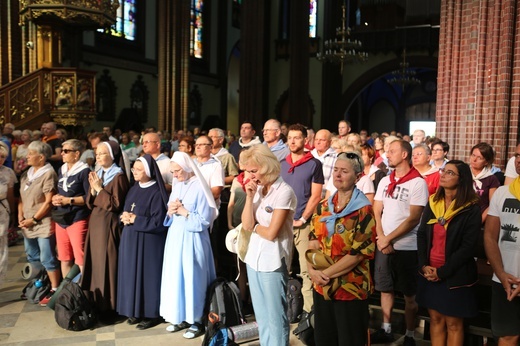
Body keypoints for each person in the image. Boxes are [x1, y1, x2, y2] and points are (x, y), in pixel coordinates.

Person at [308, 151, 376, 345]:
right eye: (336, 170)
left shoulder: (363, 210)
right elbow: (313, 240)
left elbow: (358, 255)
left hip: (350, 288)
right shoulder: (323, 206)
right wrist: (312, 270)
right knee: (324, 339)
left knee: (349, 339)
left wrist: (325, 274)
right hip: (322, 287)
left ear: (358, 176)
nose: (337, 175)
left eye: (344, 171)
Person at [416, 160, 481, 345]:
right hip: (430, 271)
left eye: (450, 173)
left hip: (455, 274)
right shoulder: (433, 202)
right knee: (435, 320)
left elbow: (468, 247)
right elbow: (422, 234)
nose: (443, 174)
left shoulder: (471, 207)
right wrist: (423, 265)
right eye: (444, 171)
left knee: (453, 324)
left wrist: (443, 272)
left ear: (462, 180)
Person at [371, 139, 429, 346]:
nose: (387, 154)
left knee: (409, 295)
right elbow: (377, 209)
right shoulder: (386, 181)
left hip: (407, 246)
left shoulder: (417, 182)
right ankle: (386, 330)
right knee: (385, 289)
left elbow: (414, 218)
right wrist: (381, 236)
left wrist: (389, 238)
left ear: (404, 155)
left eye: (392, 151)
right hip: (383, 244)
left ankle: (410, 334)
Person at [240, 144, 297, 345]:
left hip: (273, 260)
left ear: (267, 167)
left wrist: (255, 227)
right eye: (248, 171)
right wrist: (248, 197)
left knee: (276, 316)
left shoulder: (285, 191)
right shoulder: (256, 190)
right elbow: (246, 223)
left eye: (253, 171)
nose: (250, 176)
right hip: (253, 258)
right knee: (262, 317)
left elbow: (272, 233)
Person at [160, 151, 218, 339]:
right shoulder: (177, 185)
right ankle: (181, 317)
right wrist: (170, 211)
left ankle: (197, 321)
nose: (174, 175)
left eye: (177, 171)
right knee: (176, 277)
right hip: (175, 238)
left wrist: (184, 212)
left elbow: (204, 221)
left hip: (193, 239)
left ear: (186, 167)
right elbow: (169, 215)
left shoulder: (200, 187)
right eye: (172, 172)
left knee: (193, 279)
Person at [117, 155, 168, 330]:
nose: (134, 172)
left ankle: (151, 314)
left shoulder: (156, 192)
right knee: (130, 275)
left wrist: (135, 219)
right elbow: (127, 209)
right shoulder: (133, 189)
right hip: (131, 239)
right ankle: (134, 310)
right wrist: (124, 217)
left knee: (148, 278)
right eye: (133, 169)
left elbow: (159, 221)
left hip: (149, 242)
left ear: (148, 171)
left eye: (138, 170)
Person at [82, 141, 130, 322]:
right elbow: (89, 202)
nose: (98, 156)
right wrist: (94, 191)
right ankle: (95, 302)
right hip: (95, 223)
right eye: (97, 153)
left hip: (108, 225)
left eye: (102, 153)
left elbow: (115, 204)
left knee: (106, 264)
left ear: (112, 155)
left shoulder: (118, 176)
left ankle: (109, 307)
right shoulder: (98, 173)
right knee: (95, 264)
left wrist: (99, 189)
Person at [281, 124, 324, 315]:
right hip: (283, 224)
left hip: (303, 224)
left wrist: (303, 218)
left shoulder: (314, 163)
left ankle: (308, 313)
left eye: (296, 137)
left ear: (305, 140)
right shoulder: (282, 163)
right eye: (289, 137)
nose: (292, 141)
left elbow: (316, 196)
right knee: (282, 269)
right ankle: (284, 309)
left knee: (307, 271)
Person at [18, 141, 60, 304]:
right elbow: (22, 198)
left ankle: (54, 289)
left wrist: (34, 219)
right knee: (32, 255)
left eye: (31, 153)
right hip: (27, 222)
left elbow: (48, 201)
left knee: (47, 257)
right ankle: (39, 284)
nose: (27, 156)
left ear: (41, 157)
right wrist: (21, 216)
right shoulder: (27, 173)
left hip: (41, 223)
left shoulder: (48, 173)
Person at [51, 139, 90, 277]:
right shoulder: (62, 169)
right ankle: (66, 291)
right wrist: (56, 197)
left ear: (76, 154)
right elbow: (61, 191)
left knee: (80, 257)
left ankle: (84, 291)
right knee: (64, 257)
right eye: (62, 150)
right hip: (61, 218)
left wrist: (69, 200)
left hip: (77, 218)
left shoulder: (84, 171)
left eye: (66, 151)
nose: (62, 153)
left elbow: (89, 198)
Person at [469, 142, 500, 223]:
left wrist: (479, 221)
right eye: (473, 155)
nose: (474, 160)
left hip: (480, 219)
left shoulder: (491, 179)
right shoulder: (464, 174)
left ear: (486, 162)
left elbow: (492, 205)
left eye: (479, 158)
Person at [0, 142, 17, 285]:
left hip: (2, 209)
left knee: (1, 243)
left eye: (3, 157)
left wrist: (12, 214)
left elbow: (10, 195)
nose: (0, 159)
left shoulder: (8, 172)